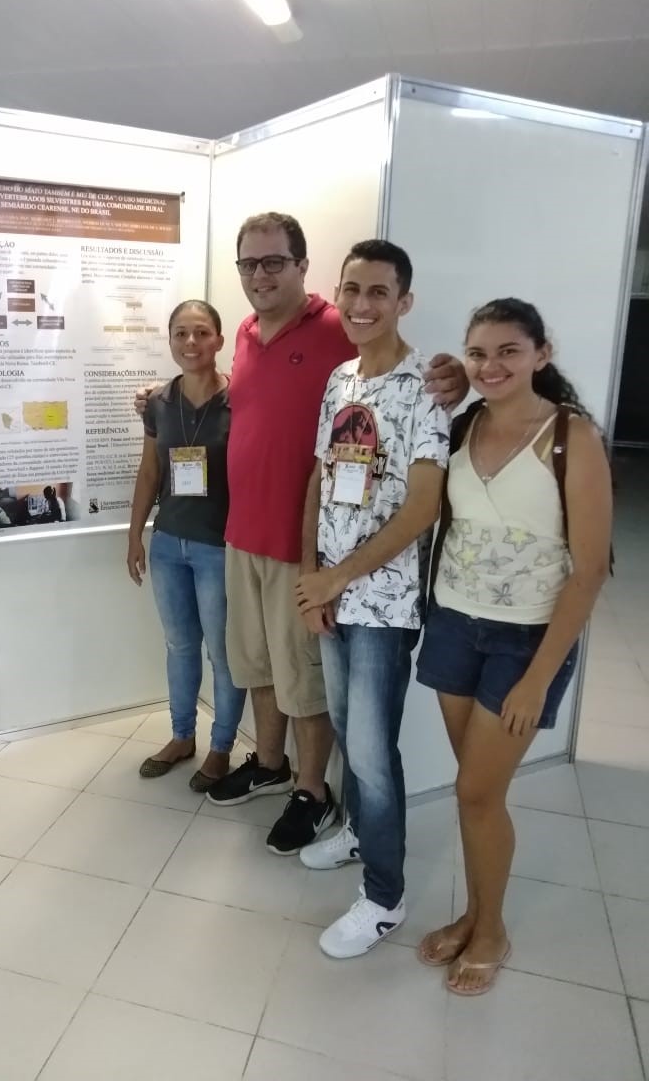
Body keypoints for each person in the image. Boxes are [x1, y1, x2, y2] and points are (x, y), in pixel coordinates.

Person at [137, 212, 467, 855]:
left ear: (302, 267)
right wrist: (165, 391)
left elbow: (399, 366)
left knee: (304, 681)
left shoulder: (334, 330)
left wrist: (453, 375)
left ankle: (311, 790)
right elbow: (245, 399)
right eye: (249, 264)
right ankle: (271, 762)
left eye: (274, 262)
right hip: (241, 535)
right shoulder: (245, 334)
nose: (260, 275)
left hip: (302, 548)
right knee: (256, 665)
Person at [414, 298, 612, 995]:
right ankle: (475, 914)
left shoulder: (571, 437)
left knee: (475, 789)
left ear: (540, 353)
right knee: (478, 795)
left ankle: (491, 928)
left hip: (527, 639)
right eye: (478, 353)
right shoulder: (461, 425)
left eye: (507, 351)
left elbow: (589, 569)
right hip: (454, 625)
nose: (491, 365)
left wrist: (537, 679)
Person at [295, 240, 450, 956]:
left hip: (383, 607)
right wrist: (311, 577)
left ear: (403, 301)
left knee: (371, 750)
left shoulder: (427, 389)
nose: (361, 304)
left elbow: (421, 508)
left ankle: (385, 898)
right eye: (351, 289)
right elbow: (321, 479)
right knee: (353, 735)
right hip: (329, 593)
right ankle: (359, 834)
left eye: (378, 292)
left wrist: (339, 577)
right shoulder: (339, 379)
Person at [127, 299, 246, 791]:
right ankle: (181, 737)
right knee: (179, 646)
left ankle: (221, 747)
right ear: (170, 340)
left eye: (201, 333)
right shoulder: (158, 401)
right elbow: (151, 469)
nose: (190, 343)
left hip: (219, 548)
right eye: (180, 334)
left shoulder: (241, 400)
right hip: (169, 542)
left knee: (222, 651)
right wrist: (135, 533)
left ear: (219, 340)